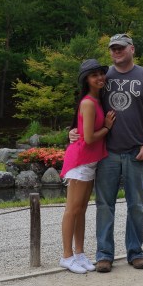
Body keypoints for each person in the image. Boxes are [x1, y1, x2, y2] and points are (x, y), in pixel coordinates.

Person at [88, 33, 143, 272]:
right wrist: (75, 131)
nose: (116, 52)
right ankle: (104, 254)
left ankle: (135, 252)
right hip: (107, 151)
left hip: (136, 150)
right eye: (113, 49)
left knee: (136, 205)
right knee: (104, 204)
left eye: (121, 48)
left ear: (132, 49)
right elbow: (86, 104)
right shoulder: (104, 77)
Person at [59, 59, 115, 274]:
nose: (100, 78)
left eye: (101, 74)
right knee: (72, 210)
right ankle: (66, 256)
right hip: (80, 160)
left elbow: (81, 131)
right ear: (86, 80)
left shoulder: (97, 99)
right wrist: (108, 128)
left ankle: (79, 254)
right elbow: (89, 138)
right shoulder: (89, 103)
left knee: (81, 210)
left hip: (89, 162)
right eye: (95, 75)